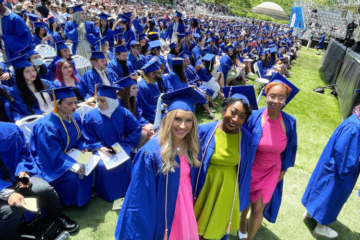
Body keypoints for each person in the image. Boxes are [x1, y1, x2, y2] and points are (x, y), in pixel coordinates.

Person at [114, 87, 205, 240]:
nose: (183, 126)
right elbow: (139, 197)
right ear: (168, 119)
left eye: (188, 120)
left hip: (185, 203)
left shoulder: (192, 146)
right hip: (163, 209)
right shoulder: (151, 153)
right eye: (177, 119)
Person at [239, 75, 298, 240]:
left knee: (258, 208)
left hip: (272, 170)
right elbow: (243, 141)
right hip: (251, 167)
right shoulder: (254, 116)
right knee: (245, 201)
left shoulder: (290, 122)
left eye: (281, 97)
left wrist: (284, 169)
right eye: (272, 96)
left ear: (286, 100)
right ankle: (243, 220)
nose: (276, 100)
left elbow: (291, 148)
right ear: (266, 95)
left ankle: (250, 238)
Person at [193, 86, 255, 239]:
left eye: (242, 116)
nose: (235, 119)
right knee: (195, 226)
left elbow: (245, 169)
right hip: (204, 183)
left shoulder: (245, 138)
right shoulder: (204, 130)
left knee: (216, 228)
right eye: (233, 112)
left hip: (226, 188)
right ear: (224, 109)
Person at [0, 122, 78, 240]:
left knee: (43, 189)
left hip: (15, 177)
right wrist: (7, 193)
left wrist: (23, 171)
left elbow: (23, 153)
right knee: (11, 211)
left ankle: (55, 216)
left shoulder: (10, 129)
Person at [301, 94, 360, 239]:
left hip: (331, 164)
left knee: (321, 187)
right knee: (331, 193)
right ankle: (320, 227)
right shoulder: (355, 126)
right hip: (340, 169)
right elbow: (345, 154)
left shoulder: (355, 119)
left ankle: (311, 212)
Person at [30, 87, 95, 207]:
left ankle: (87, 193)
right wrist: (73, 165)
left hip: (69, 153)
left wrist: (81, 146)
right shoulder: (46, 126)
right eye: (69, 103)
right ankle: (71, 201)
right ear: (57, 104)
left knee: (90, 162)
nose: (74, 106)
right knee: (73, 176)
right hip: (50, 160)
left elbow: (79, 137)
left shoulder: (73, 117)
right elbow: (50, 152)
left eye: (76, 102)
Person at [82, 84, 141, 201]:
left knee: (123, 160)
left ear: (111, 101)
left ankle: (125, 190)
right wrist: (99, 147)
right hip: (100, 149)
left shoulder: (123, 112)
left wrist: (125, 143)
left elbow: (135, 128)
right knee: (102, 165)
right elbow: (88, 135)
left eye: (102, 101)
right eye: (97, 100)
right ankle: (106, 193)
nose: (98, 104)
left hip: (120, 146)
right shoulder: (91, 115)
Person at [8, 55, 54, 121]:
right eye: (27, 71)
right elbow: (23, 108)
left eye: (33, 70)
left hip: (53, 114)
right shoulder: (15, 91)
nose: (32, 73)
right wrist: (41, 114)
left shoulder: (45, 83)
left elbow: (56, 95)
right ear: (20, 74)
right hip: (37, 119)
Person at [114, 75, 154, 148]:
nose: (137, 90)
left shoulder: (133, 99)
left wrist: (146, 124)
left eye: (136, 88)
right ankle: (134, 153)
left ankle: (140, 152)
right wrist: (141, 128)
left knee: (151, 128)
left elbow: (138, 115)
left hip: (133, 127)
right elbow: (123, 125)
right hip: (123, 133)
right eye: (134, 88)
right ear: (125, 90)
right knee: (143, 133)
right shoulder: (117, 105)